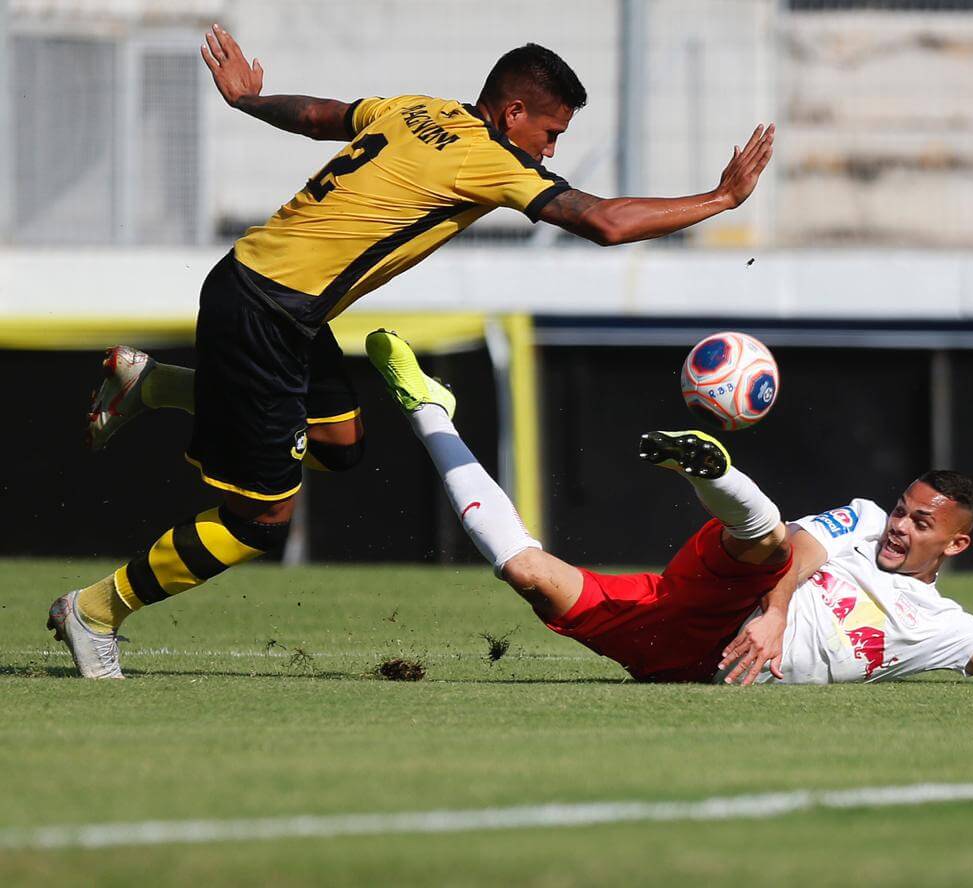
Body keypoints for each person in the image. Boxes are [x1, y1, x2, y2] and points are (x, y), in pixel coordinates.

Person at [49, 25, 776, 679]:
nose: (552, 150)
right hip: (266, 312)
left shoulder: (417, 108)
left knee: (339, 444)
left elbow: (318, 117)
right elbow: (604, 222)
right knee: (259, 521)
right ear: (512, 112)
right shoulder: (490, 158)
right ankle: (95, 612)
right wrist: (718, 199)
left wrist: (249, 102)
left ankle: (156, 385)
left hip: (274, 300)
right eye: (550, 131)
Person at [365, 329, 973, 690]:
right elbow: (802, 548)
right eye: (902, 508)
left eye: (922, 523)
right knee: (770, 544)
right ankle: (713, 472)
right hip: (725, 602)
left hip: (681, 662)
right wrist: (775, 616)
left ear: (955, 544)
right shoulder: (853, 520)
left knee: (525, 571)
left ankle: (428, 408)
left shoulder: (943, 625)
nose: (899, 524)